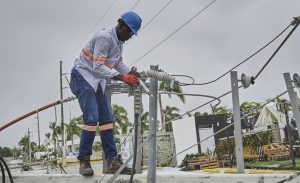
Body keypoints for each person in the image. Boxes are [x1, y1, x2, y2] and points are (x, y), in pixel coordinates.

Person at [69, 11, 142, 176]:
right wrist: (123, 77)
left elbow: (117, 63)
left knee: (107, 119)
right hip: (82, 77)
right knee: (92, 118)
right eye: (129, 31)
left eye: (132, 33)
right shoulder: (105, 37)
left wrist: (131, 72)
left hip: (97, 81)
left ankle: (112, 162)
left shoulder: (119, 42)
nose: (130, 36)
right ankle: (84, 161)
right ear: (121, 25)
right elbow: (98, 66)